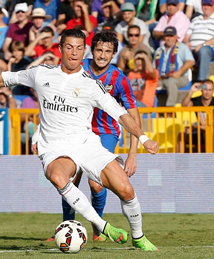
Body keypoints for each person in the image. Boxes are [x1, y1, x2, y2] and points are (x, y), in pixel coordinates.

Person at [0, 29, 159, 251]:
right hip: (55, 147)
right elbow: (7, 78)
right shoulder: (41, 73)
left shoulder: (92, 86)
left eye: (79, 48)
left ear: (84, 52)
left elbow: (121, 114)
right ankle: (103, 226)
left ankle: (138, 237)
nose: (74, 53)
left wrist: (143, 138)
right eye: (69, 47)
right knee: (57, 175)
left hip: (86, 144)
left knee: (126, 191)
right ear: (60, 48)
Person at [46, 30, 140, 243]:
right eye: (99, 49)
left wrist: (133, 153)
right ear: (92, 50)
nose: (102, 55)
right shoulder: (79, 68)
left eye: (108, 51)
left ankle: (98, 227)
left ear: (114, 54)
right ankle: (66, 227)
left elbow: (134, 116)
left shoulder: (119, 79)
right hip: (75, 132)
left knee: (97, 184)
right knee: (70, 179)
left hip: (106, 132)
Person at [183, 0, 214, 81]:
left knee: (203, 51)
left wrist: (203, 45)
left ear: (213, 6)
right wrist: (186, 43)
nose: (206, 7)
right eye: (204, 5)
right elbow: (187, 36)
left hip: (212, 48)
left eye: (208, 5)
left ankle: (201, 81)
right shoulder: (195, 20)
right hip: (193, 48)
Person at [153, 26, 195, 107]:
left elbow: (190, 62)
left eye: (171, 36)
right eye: (167, 36)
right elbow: (154, 68)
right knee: (148, 82)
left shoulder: (182, 47)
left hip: (180, 77)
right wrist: (154, 79)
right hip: (162, 78)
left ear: (176, 37)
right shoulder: (159, 50)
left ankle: (170, 108)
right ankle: (147, 109)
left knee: (171, 81)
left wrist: (179, 72)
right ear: (164, 37)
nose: (169, 38)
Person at [180, 80, 214, 152]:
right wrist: (191, 92)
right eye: (205, 89)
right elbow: (184, 106)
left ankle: (210, 159)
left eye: (210, 90)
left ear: (213, 91)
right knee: (181, 136)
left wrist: (197, 127)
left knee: (207, 132)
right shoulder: (197, 100)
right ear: (201, 90)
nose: (207, 92)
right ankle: (179, 161)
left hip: (213, 134)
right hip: (200, 132)